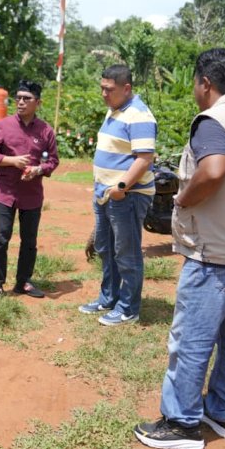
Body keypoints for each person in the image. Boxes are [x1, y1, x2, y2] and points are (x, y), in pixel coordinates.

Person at [134, 48, 225, 449]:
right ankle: (223, 410)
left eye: (195, 83)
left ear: (205, 84)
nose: (195, 90)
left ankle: (181, 423)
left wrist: (183, 199)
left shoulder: (214, 120)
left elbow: (212, 171)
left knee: (190, 339)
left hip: (217, 253)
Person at [79, 64, 157, 326]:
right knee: (106, 249)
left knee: (127, 253)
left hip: (127, 196)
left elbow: (145, 158)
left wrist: (120, 189)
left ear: (126, 88)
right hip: (105, 194)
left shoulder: (139, 115)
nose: (103, 94)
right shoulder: (114, 110)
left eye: (109, 90)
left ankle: (128, 308)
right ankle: (108, 297)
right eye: (101, 88)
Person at [0, 80, 59, 303]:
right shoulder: (4, 126)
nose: (21, 102)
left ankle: (23, 281)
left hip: (32, 195)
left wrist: (38, 169)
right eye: (18, 98)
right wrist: (11, 160)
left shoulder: (45, 131)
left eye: (27, 98)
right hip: (5, 193)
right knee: (0, 239)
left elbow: (53, 161)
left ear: (38, 102)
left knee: (29, 241)